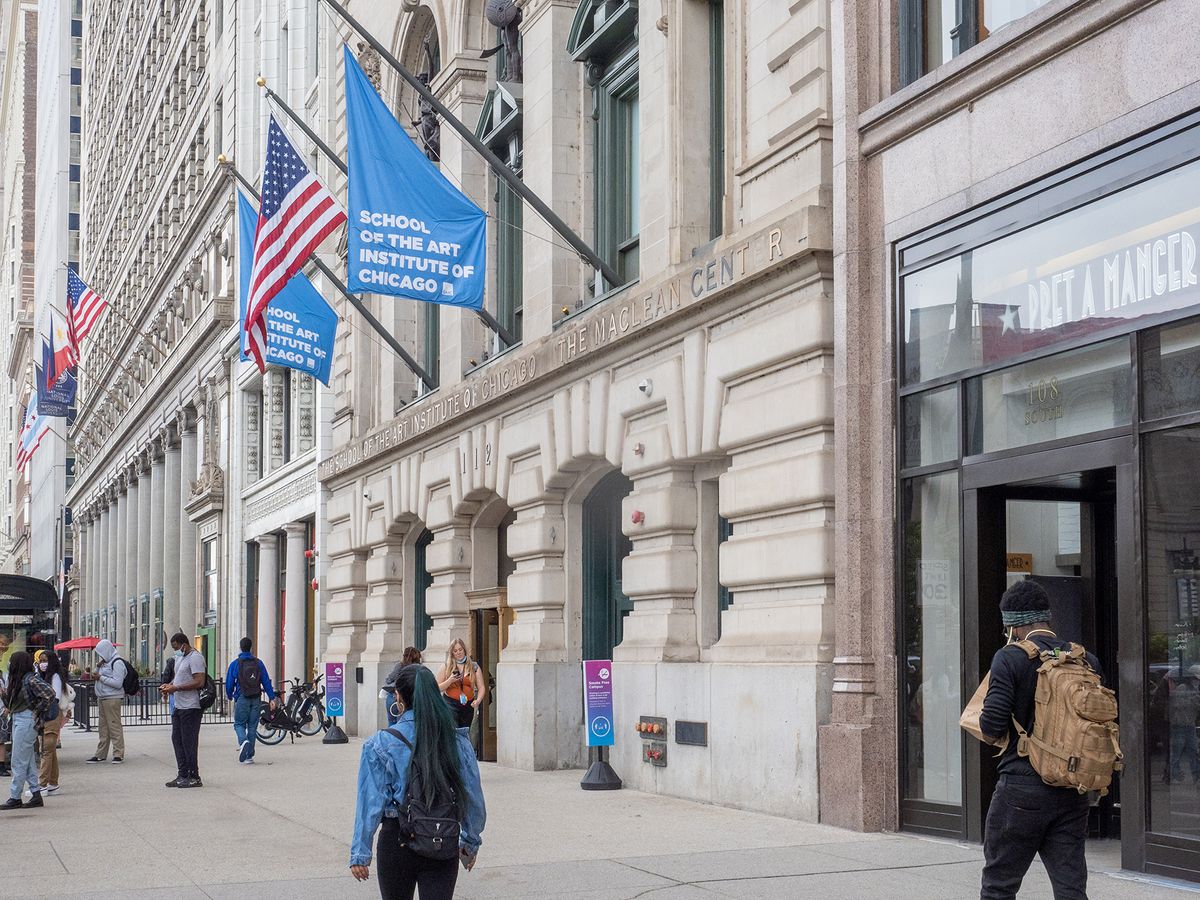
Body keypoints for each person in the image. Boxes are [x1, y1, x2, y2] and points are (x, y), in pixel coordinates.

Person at [978, 580, 1102, 900]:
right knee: (1071, 888)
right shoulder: (1084, 660)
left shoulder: (1010, 658)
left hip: (1021, 790)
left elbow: (991, 726)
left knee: (999, 886)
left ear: (1013, 626)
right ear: (1047, 617)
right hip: (1072, 788)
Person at [350, 664, 486, 899]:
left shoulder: (380, 743)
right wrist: (470, 842)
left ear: (398, 697)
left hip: (397, 839)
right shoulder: (457, 740)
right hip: (442, 835)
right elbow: (473, 798)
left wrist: (360, 853)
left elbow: (370, 802)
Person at [2, 651, 55, 809]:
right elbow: (13, 703)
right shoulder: (20, 680)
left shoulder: (29, 679)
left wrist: (36, 710)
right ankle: (35, 794)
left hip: (25, 721)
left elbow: (50, 693)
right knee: (28, 760)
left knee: (18, 760)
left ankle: (15, 796)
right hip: (21, 719)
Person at [160, 633, 206, 788]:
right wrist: (169, 686)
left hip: (191, 706)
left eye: (176, 647)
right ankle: (182, 774)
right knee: (177, 739)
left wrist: (177, 687)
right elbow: (179, 677)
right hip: (178, 705)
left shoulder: (195, 658)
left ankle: (194, 776)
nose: (176, 651)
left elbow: (199, 681)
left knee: (189, 742)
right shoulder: (180, 658)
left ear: (184, 645)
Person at [224, 637, 276, 764]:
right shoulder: (258, 663)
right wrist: (271, 697)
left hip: (242, 697)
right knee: (252, 726)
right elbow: (266, 680)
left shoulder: (235, 664)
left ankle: (243, 742)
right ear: (251, 647)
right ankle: (249, 756)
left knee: (239, 724)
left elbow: (229, 683)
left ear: (240, 648)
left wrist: (229, 695)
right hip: (256, 697)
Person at [86, 639, 127, 764]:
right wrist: (98, 667)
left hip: (112, 698)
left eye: (102, 653)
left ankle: (118, 753)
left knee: (114, 726)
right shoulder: (105, 663)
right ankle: (101, 754)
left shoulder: (117, 662)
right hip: (103, 697)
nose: (101, 656)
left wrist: (101, 678)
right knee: (103, 727)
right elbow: (95, 674)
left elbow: (118, 683)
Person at [34, 650, 68, 795]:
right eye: (41, 661)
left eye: (45, 660)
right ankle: (53, 783)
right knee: (50, 750)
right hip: (47, 715)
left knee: (46, 750)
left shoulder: (55, 676)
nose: (42, 664)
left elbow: (55, 697)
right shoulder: (42, 676)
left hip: (51, 715)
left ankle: (42, 784)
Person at [436, 639, 485, 730]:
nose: (458, 653)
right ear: (452, 653)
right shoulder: (446, 666)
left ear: (464, 650)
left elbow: (481, 687)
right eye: (455, 651)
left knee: (465, 731)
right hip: (450, 704)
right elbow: (436, 688)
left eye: (460, 649)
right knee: (453, 730)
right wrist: (449, 681)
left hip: (468, 704)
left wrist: (478, 700)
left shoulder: (474, 667)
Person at [1168, 669, 1200, 783]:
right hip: (1181, 724)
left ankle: (1196, 774)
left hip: (1188, 724)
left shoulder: (1192, 690)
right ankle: (1175, 774)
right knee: (1178, 752)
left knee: (1193, 751)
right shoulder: (1183, 689)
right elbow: (1178, 705)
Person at [383, 648, 424, 727]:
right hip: (407, 700)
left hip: (393, 696)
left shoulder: (400, 665)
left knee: (391, 723)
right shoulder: (419, 669)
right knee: (403, 725)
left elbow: (389, 680)